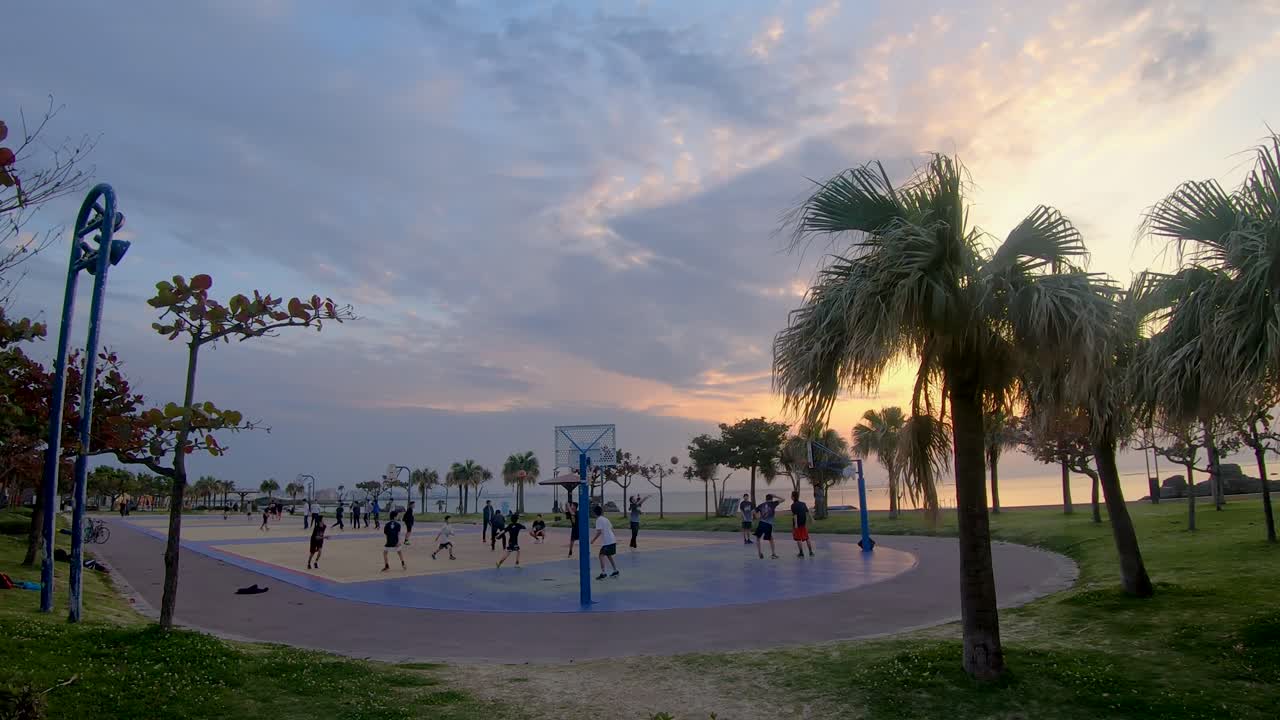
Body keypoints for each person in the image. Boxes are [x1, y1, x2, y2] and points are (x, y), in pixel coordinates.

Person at [591, 505, 619, 579]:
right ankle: (615, 570)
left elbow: (599, 532)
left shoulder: (598, 520)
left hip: (608, 542)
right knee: (609, 555)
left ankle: (603, 573)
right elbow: (611, 528)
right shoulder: (605, 519)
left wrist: (593, 540)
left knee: (601, 555)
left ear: (594, 513)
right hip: (612, 540)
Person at [754, 493, 782, 560]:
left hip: (761, 523)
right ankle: (773, 554)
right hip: (768, 524)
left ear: (766, 499)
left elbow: (753, 511)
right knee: (771, 539)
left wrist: (757, 517)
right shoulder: (773, 503)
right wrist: (775, 496)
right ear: (771, 499)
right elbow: (783, 499)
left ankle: (759, 553)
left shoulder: (761, 505)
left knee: (758, 538)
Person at [790, 490, 814, 558]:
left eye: (791, 496)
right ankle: (811, 552)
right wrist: (812, 519)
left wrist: (796, 524)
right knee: (806, 538)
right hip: (803, 523)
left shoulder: (793, 505)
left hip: (798, 524)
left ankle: (801, 553)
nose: (791, 497)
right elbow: (808, 512)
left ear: (793, 497)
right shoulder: (803, 503)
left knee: (798, 539)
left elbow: (795, 515)